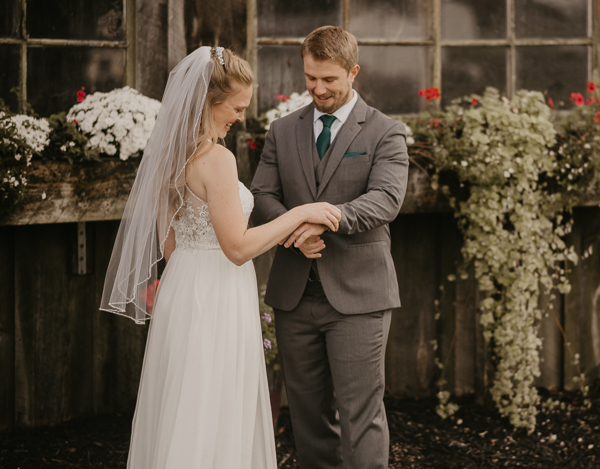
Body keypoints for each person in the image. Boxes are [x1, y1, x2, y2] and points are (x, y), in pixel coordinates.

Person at [100, 46, 341, 469]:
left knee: (186, 404)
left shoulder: (170, 157)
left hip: (182, 288)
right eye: (236, 107)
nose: (240, 117)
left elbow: (170, 245)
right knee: (216, 402)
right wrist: (301, 214)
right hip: (216, 294)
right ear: (210, 104)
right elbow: (237, 248)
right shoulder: (218, 160)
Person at [250, 26, 409, 469]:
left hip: (359, 297)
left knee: (361, 415)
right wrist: (294, 230)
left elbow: (385, 199)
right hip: (294, 296)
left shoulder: (385, 132)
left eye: (329, 80)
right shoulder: (282, 131)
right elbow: (261, 195)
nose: (318, 89)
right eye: (310, 78)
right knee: (306, 416)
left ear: (353, 72)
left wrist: (324, 216)